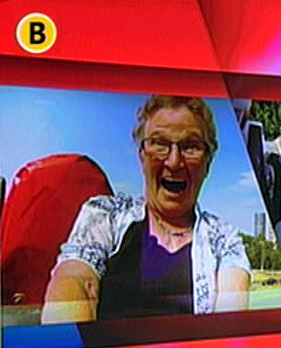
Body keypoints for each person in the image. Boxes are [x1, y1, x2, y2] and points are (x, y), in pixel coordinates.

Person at [41, 95, 251, 324]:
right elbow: (75, 280)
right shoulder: (104, 216)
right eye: (160, 144)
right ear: (142, 156)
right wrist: (72, 344)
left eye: (191, 147)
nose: (174, 162)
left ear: (208, 162)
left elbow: (230, 318)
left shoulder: (224, 238)